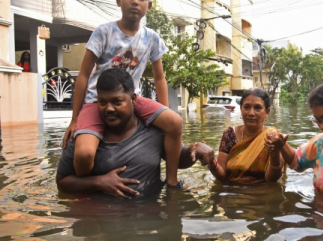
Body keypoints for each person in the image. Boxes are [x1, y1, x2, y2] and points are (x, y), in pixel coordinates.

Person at [62, 0, 184, 188]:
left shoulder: (152, 38)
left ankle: (172, 181)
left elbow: (159, 77)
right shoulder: (103, 32)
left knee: (175, 122)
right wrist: (74, 119)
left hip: (131, 100)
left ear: (149, 5)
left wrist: (164, 110)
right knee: (83, 153)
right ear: (119, 1)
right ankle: (90, 185)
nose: (135, 1)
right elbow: (83, 74)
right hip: (97, 100)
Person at [57, 68, 214, 197]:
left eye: (117, 102)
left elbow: (179, 160)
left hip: (150, 219)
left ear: (133, 99)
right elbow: (62, 183)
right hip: (101, 223)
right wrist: (99, 182)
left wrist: (195, 149)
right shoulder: (82, 136)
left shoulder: (155, 130)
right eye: (102, 102)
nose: (109, 109)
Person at [207, 88, 285, 183]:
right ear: (241, 109)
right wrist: (211, 161)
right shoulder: (230, 134)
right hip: (232, 191)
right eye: (247, 107)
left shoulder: (273, 137)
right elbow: (222, 175)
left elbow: (271, 179)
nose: (251, 113)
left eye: (257, 108)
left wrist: (275, 154)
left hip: (261, 192)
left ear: (267, 112)